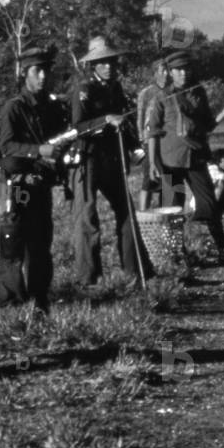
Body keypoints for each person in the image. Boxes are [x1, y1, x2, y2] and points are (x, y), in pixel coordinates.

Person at [146, 50, 224, 265]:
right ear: (170, 72)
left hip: (196, 158)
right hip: (170, 161)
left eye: (186, 69)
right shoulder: (161, 97)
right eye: (178, 70)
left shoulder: (199, 93)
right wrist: (153, 162)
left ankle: (223, 250)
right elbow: (152, 132)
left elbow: (208, 125)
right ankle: (176, 256)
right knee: (173, 208)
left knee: (209, 205)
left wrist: (223, 114)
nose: (183, 73)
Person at [70, 36, 147, 286]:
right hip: (88, 158)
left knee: (127, 212)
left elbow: (124, 120)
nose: (108, 66)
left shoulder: (116, 88)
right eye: (102, 62)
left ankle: (136, 271)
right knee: (87, 218)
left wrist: (136, 148)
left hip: (113, 157)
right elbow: (78, 127)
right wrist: (105, 120)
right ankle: (89, 278)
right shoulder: (84, 89)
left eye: (111, 61)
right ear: (93, 65)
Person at [0, 46, 68, 312]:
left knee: (41, 243)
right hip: (12, 185)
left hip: (39, 182)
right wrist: (39, 151)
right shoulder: (13, 108)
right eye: (37, 71)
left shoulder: (52, 108)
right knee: (12, 242)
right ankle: (11, 304)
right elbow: (7, 146)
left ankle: (39, 299)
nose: (43, 76)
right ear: (25, 74)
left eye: (46, 70)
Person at [136, 58, 169, 210]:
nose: (166, 74)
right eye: (163, 71)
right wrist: (142, 139)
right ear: (155, 73)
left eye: (168, 70)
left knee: (167, 180)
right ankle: (143, 213)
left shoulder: (172, 91)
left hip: (167, 140)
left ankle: (166, 212)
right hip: (149, 140)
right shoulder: (146, 93)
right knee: (149, 180)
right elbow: (140, 117)